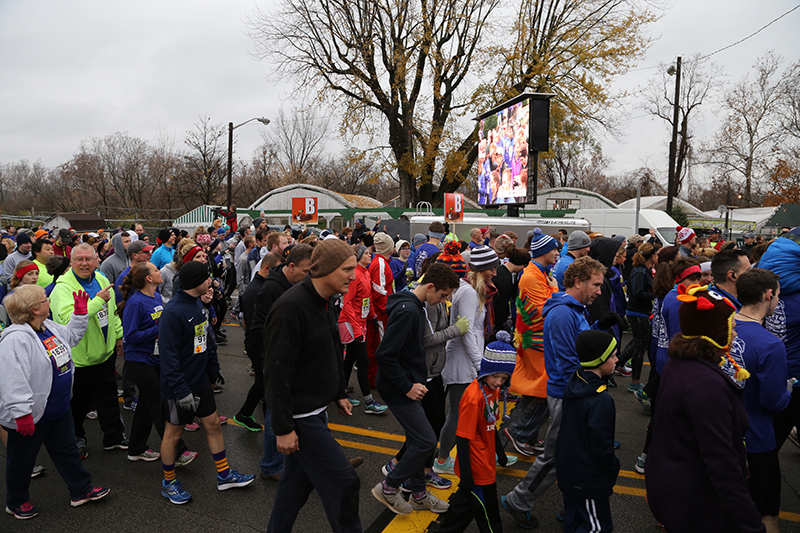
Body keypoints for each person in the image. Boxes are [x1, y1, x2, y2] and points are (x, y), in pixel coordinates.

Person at [646, 284, 765, 532]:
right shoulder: (704, 384)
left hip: (677, 487)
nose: (735, 333)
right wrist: (751, 524)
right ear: (712, 334)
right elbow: (721, 461)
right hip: (696, 502)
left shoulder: (681, 362)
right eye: (730, 326)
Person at [262, 239, 362, 532]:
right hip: (301, 418)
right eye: (347, 269)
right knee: (345, 483)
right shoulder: (290, 309)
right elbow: (276, 373)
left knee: (294, 489)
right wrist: (282, 428)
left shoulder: (325, 301)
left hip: (316, 411)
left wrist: (339, 392)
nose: (353, 276)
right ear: (327, 270)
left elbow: (331, 349)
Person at [501, 256, 608, 529]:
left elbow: (581, 349)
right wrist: (595, 380)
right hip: (567, 395)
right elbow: (567, 361)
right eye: (595, 285)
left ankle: (570, 505)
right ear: (577, 282)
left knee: (572, 455)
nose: (599, 291)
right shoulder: (563, 313)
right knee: (556, 457)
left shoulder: (575, 308)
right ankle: (518, 500)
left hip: (573, 392)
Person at [0, 285, 110, 519]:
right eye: (45, 299)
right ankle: (16, 501)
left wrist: (80, 315)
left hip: (58, 409)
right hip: (32, 416)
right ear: (34, 308)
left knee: (68, 452)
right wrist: (21, 414)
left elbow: (70, 338)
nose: (49, 301)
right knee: (21, 461)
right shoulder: (15, 340)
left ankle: (80, 490)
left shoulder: (46, 326)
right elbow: (12, 380)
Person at [158, 261, 254, 504]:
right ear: (195, 282)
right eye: (207, 277)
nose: (211, 280)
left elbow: (205, 341)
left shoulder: (197, 304)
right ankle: (168, 482)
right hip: (180, 387)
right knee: (173, 433)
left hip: (200, 381)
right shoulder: (173, 312)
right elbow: (168, 358)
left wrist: (213, 369)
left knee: (212, 424)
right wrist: (181, 391)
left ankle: (224, 475)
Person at [372, 262, 460, 515]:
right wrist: (407, 386)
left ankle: (418, 492)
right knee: (425, 440)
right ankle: (388, 487)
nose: (442, 301)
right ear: (430, 286)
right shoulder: (409, 311)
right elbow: (386, 355)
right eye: (442, 295)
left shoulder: (415, 305)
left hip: (412, 382)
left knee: (417, 438)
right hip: (398, 387)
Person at [236, 245, 313, 482]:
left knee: (289, 408)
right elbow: (259, 328)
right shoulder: (271, 288)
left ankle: (318, 459)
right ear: (291, 267)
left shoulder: (290, 284)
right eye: (305, 271)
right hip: (271, 355)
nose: (308, 276)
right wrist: (274, 355)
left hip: (285, 355)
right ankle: (271, 465)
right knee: (273, 409)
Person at [434, 330, 516, 532]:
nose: (499, 381)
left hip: (486, 461)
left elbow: (491, 425)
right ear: (486, 370)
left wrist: (500, 453)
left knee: (464, 510)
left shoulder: (493, 390)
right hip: (477, 466)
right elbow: (462, 437)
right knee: (488, 514)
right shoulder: (473, 398)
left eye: (504, 378)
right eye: (496, 375)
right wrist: (468, 475)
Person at [50, 243, 127, 458]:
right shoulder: (62, 288)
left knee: (109, 399)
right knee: (77, 405)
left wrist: (119, 335)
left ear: (96, 261)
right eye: (79, 259)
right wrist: (96, 302)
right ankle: (76, 440)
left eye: (89, 259)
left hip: (105, 354)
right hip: (80, 360)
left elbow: (111, 313)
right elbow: (67, 322)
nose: (84, 263)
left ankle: (114, 438)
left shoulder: (101, 279)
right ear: (71, 262)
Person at [116, 263, 197, 466]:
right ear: (148, 278)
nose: (160, 271)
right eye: (156, 270)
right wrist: (158, 329)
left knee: (146, 407)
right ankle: (178, 452)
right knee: (160, 406)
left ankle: (136, 448)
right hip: (140, 362)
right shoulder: (136, 303)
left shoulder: (156, 297)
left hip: (155, 360)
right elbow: (131, 336)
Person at [733, 269, 790, 533]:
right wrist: (788, 389)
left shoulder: (722, 326)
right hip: (756, 440)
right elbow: (774, 402)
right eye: (777, 295)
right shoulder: (770, 344)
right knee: (766, 515)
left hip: (719, 432)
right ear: (769, 295)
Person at [435, 246, 499, 474]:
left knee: (466, 413)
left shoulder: (470, 288)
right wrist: (480, 365)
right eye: (492, 268)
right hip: (463, 363)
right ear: (481, 269)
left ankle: (475, 454)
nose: (495, 272)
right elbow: (467, 331)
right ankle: (442, 460)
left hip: (466, 360)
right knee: (457, 414)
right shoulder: (470, 292)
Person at [556, 330, 620, 533]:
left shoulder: (575, 382)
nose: (617, 359)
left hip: (570, 471)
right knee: (596, 527)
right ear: (600, 360)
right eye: (613, 355)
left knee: (574, 520)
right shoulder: (601, 400)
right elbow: (601, 445)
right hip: (588, 478)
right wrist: (612, 465)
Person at [504, 231, 559, 458]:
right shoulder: (532, 276)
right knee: (543, 389)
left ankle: (526, 435)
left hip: (537, 340)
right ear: (544, 251)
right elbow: (542, 312)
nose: (558, 253)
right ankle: (517, 432)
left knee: (534, 391)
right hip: (535, 341)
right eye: (555, 249)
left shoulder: (539, 273)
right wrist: (556, 290)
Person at [339, 245, 388, 414]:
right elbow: (348, 304)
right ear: (358, 256)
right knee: (364, 360)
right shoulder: (355, 275)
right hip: (351, 323)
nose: (370, 254)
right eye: (366, 253)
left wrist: (372, 316)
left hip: (362, 322)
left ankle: (341, 392)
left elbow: (366, 299)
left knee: (350, 359)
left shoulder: (366, 273)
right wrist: (357, 328)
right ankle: (369, 401)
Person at [621, 242, 658, 393]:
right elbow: (637, 293)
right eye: (656, 254)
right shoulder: (640, 271)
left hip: (642, 312)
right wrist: (655, 294)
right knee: (640, 347)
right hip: (637, 313)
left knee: (638, 343)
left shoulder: (647, 270)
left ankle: (617, 364)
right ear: (651, 256)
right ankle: (634, 382)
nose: (658, 256)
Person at [366, 232, 396, 388]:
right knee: (382, 347)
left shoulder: (378, 262)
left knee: (377, 347)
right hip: (381, 315)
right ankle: (378, 380)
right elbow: (380, 292)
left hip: (379, 313)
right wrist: (389, 311)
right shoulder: (381, 264)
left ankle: (375, 379)